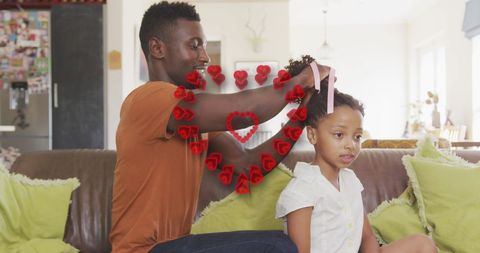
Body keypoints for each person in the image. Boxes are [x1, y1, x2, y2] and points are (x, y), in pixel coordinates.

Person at [109, 1, 331, 253]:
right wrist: (301, 80)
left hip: (175, 246)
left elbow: (247, 165)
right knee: (276, 249)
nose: (204, 56)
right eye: (194, 46)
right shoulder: (148, 100)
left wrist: (300, 118)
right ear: (157, 48)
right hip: (143, 250)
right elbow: (242, 111)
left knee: (282, 242)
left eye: (203, 46)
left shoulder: (193, 120)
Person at [275, 71, 438, 253]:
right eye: (339, 135)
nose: (351, 145)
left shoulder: (350, 180)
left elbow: (367, 237)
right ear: (313, 134)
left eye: (357, 137)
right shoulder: (302, 189)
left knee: (422, 243)